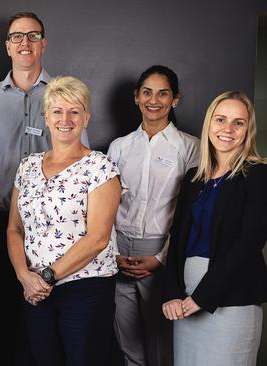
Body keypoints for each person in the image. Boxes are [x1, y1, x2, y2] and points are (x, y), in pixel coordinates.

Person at [0, 11, 89, 365]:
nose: (25, 43)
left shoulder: (63, 98)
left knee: (41, 316)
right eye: (17, 37)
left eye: (32, 36)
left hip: (48, 230)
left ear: (44, 44)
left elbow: (82, 162)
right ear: (7, 46)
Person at [7, 76, 121, 365]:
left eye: (74, 111)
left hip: (85, 289)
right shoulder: (28, 166)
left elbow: (97, 238)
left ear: (86, 118)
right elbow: (14, 228)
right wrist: (24, 277)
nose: (65, 119)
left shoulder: (99, 166)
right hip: (34, 289)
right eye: (57, 111)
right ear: (46, 118)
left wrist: (46, 278)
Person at [162, 91, 267, 366]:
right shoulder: (193, 178)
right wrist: (172, 293)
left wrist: (202, 297)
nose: (228, 130)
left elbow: (249, 243)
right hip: (186, 297)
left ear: (248, 130)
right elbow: (177, 239)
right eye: (221, 119)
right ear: (209, 123)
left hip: (231, 300)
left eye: (238, 122)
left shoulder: (258, 174)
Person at [108, 65, 199, 366]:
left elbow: (190, 214)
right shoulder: (119, 148)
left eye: (163, 93)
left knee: (162, 345)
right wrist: (113, 254)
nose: (154, 100)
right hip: (120, 254)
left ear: (175, 99)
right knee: (127, 342)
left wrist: (161, 258)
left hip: (163, 255)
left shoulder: (191, 148)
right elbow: (104, 207)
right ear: (136, 97)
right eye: (147, 92)